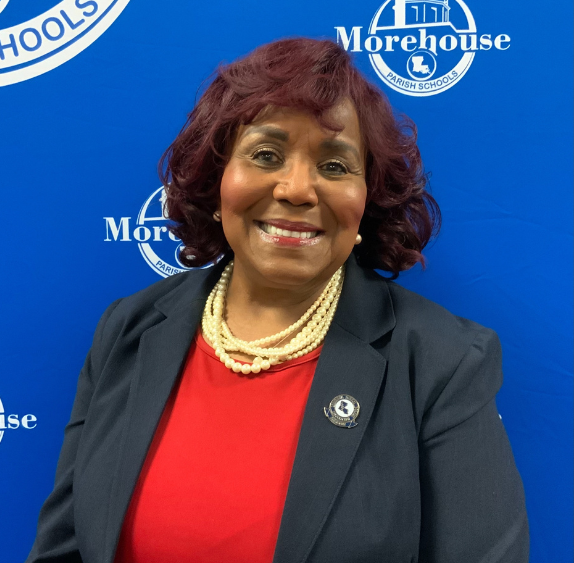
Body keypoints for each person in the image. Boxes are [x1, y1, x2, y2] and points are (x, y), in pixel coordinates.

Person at [27, 38, 528, 563]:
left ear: (366, 200)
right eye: (266, 155)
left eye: (335, 166)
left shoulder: (442, 364)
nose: (296, 189)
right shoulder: (126, 330)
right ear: (216, 180)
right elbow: (63, 548)